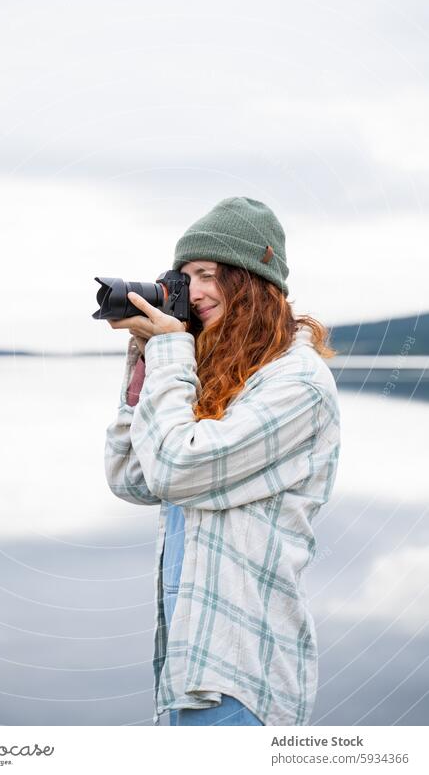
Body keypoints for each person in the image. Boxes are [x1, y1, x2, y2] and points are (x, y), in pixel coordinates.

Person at [104, 196, 341, 726]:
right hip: (192, 664)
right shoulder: (220, 378)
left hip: (243, 676)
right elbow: (134, 479)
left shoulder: (295, 383)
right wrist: (146, 363)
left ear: (252, 280)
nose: (197, 292)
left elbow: (176, 469)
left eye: (209, 274)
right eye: (186, 277)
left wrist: (170, 354)